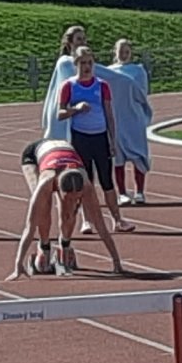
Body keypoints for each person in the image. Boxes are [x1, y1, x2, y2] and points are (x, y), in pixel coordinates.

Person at [11, 136, 125, 278]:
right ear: (59, 188)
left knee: (68, 212)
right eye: (69, 197)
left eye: (77, 197)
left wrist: (116, 261)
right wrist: (18, 265)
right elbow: (30, 227)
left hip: (64, 153)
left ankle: (64, 245)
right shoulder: (46, 181)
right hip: (34, 156)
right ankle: (44, 247)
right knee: (43, 207)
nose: (73, 200)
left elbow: (100, 225)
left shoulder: (86, 185)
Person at [52, 45, 131, 233]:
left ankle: (117, 220)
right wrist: (76, 109)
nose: (87, 67)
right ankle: (87, 221)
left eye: (90, 63)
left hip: (100, 138)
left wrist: (112, 140)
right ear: (76, 64)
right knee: (85, 182)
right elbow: (59, 114)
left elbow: (109, 114)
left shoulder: (102, 85)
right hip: (80, 138)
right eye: (83, 63)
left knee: (107, 181)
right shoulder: (69, 86)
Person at [107, 38, 153, 205]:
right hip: (116, 118)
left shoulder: (138, 71)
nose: (124, 54)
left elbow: (142, 93)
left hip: (134, 117)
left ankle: (139, 191)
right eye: (121, 51)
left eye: (127, 51)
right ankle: (122, 193)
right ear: (115, 52)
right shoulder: (108, 72)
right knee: (117, 157)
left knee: (138, 155)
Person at [42, 23, 86, 136]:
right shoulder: (65, 62)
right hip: (64, 111)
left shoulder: (86, 63)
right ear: (70, 42)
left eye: (83, 39)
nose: (82, 42)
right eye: (79, 39)